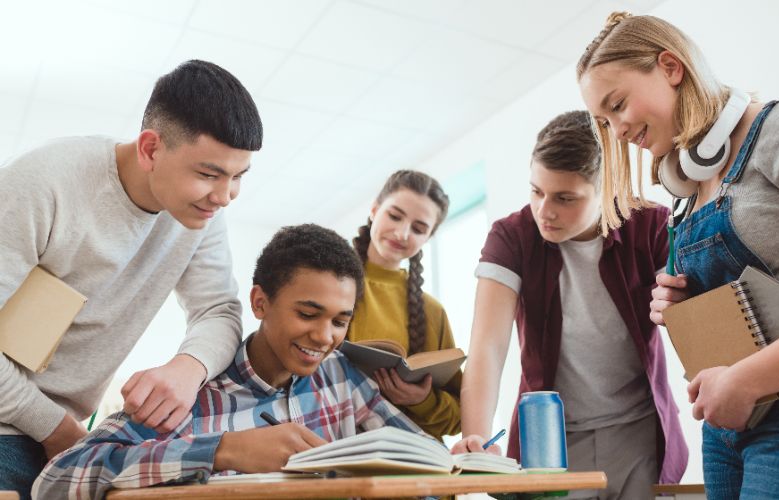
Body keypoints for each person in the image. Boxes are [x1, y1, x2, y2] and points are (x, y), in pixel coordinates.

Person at [0, 60, 262, 499]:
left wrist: (188, 368)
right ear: (150, 149)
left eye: (237, 177)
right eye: (208, 174)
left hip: (65, 436)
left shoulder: (202, 215)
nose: (224, 196)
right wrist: (54, 428)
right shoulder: (42, 183)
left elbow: (218, 310)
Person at [577, 11, 779, 500]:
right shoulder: (687, 193)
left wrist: (745, 380)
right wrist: (685, 313)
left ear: (671, 67)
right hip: (727, 429)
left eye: (617, 105)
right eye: (604, 121)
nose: (616, 131)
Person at [32, 224, 424, 500]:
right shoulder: (192, 393)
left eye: (340, 321)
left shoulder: (341, 373)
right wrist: (223, 450)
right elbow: (55, 481)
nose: (325, 337)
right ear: (260, 303)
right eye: (307, 314)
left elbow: (419, 454)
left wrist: (465, 457)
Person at [453, 110, 687, 499]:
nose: (544, 210)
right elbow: (488, 348)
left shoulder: (653, 225)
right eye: (536, 191)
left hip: (638, 431)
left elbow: (692, 320)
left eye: (565, 198)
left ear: (608, 187)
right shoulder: (511, 236)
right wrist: (475, 439)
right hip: (551, 440)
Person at [348, 170, 461, 440]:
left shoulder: (433, 312)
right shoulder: (328, 284)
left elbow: (460, 417)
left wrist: (422, 400)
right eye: (395, 216)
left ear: (428, 237)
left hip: (410, 460)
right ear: (375, 209)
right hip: (334, 450)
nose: (402, 233)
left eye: (419, 228)